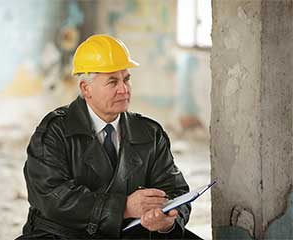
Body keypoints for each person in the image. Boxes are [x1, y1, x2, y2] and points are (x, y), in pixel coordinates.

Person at [17, 34, 197, 239]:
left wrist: (167, 221)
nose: (124, 89)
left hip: (130, 233)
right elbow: (52, 198)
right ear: (86, 88)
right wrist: (124, 207)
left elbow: (175, 190)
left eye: (126, 79)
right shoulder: (54, 132)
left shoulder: (149, 132)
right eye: (112, 81)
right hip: (64, 235)